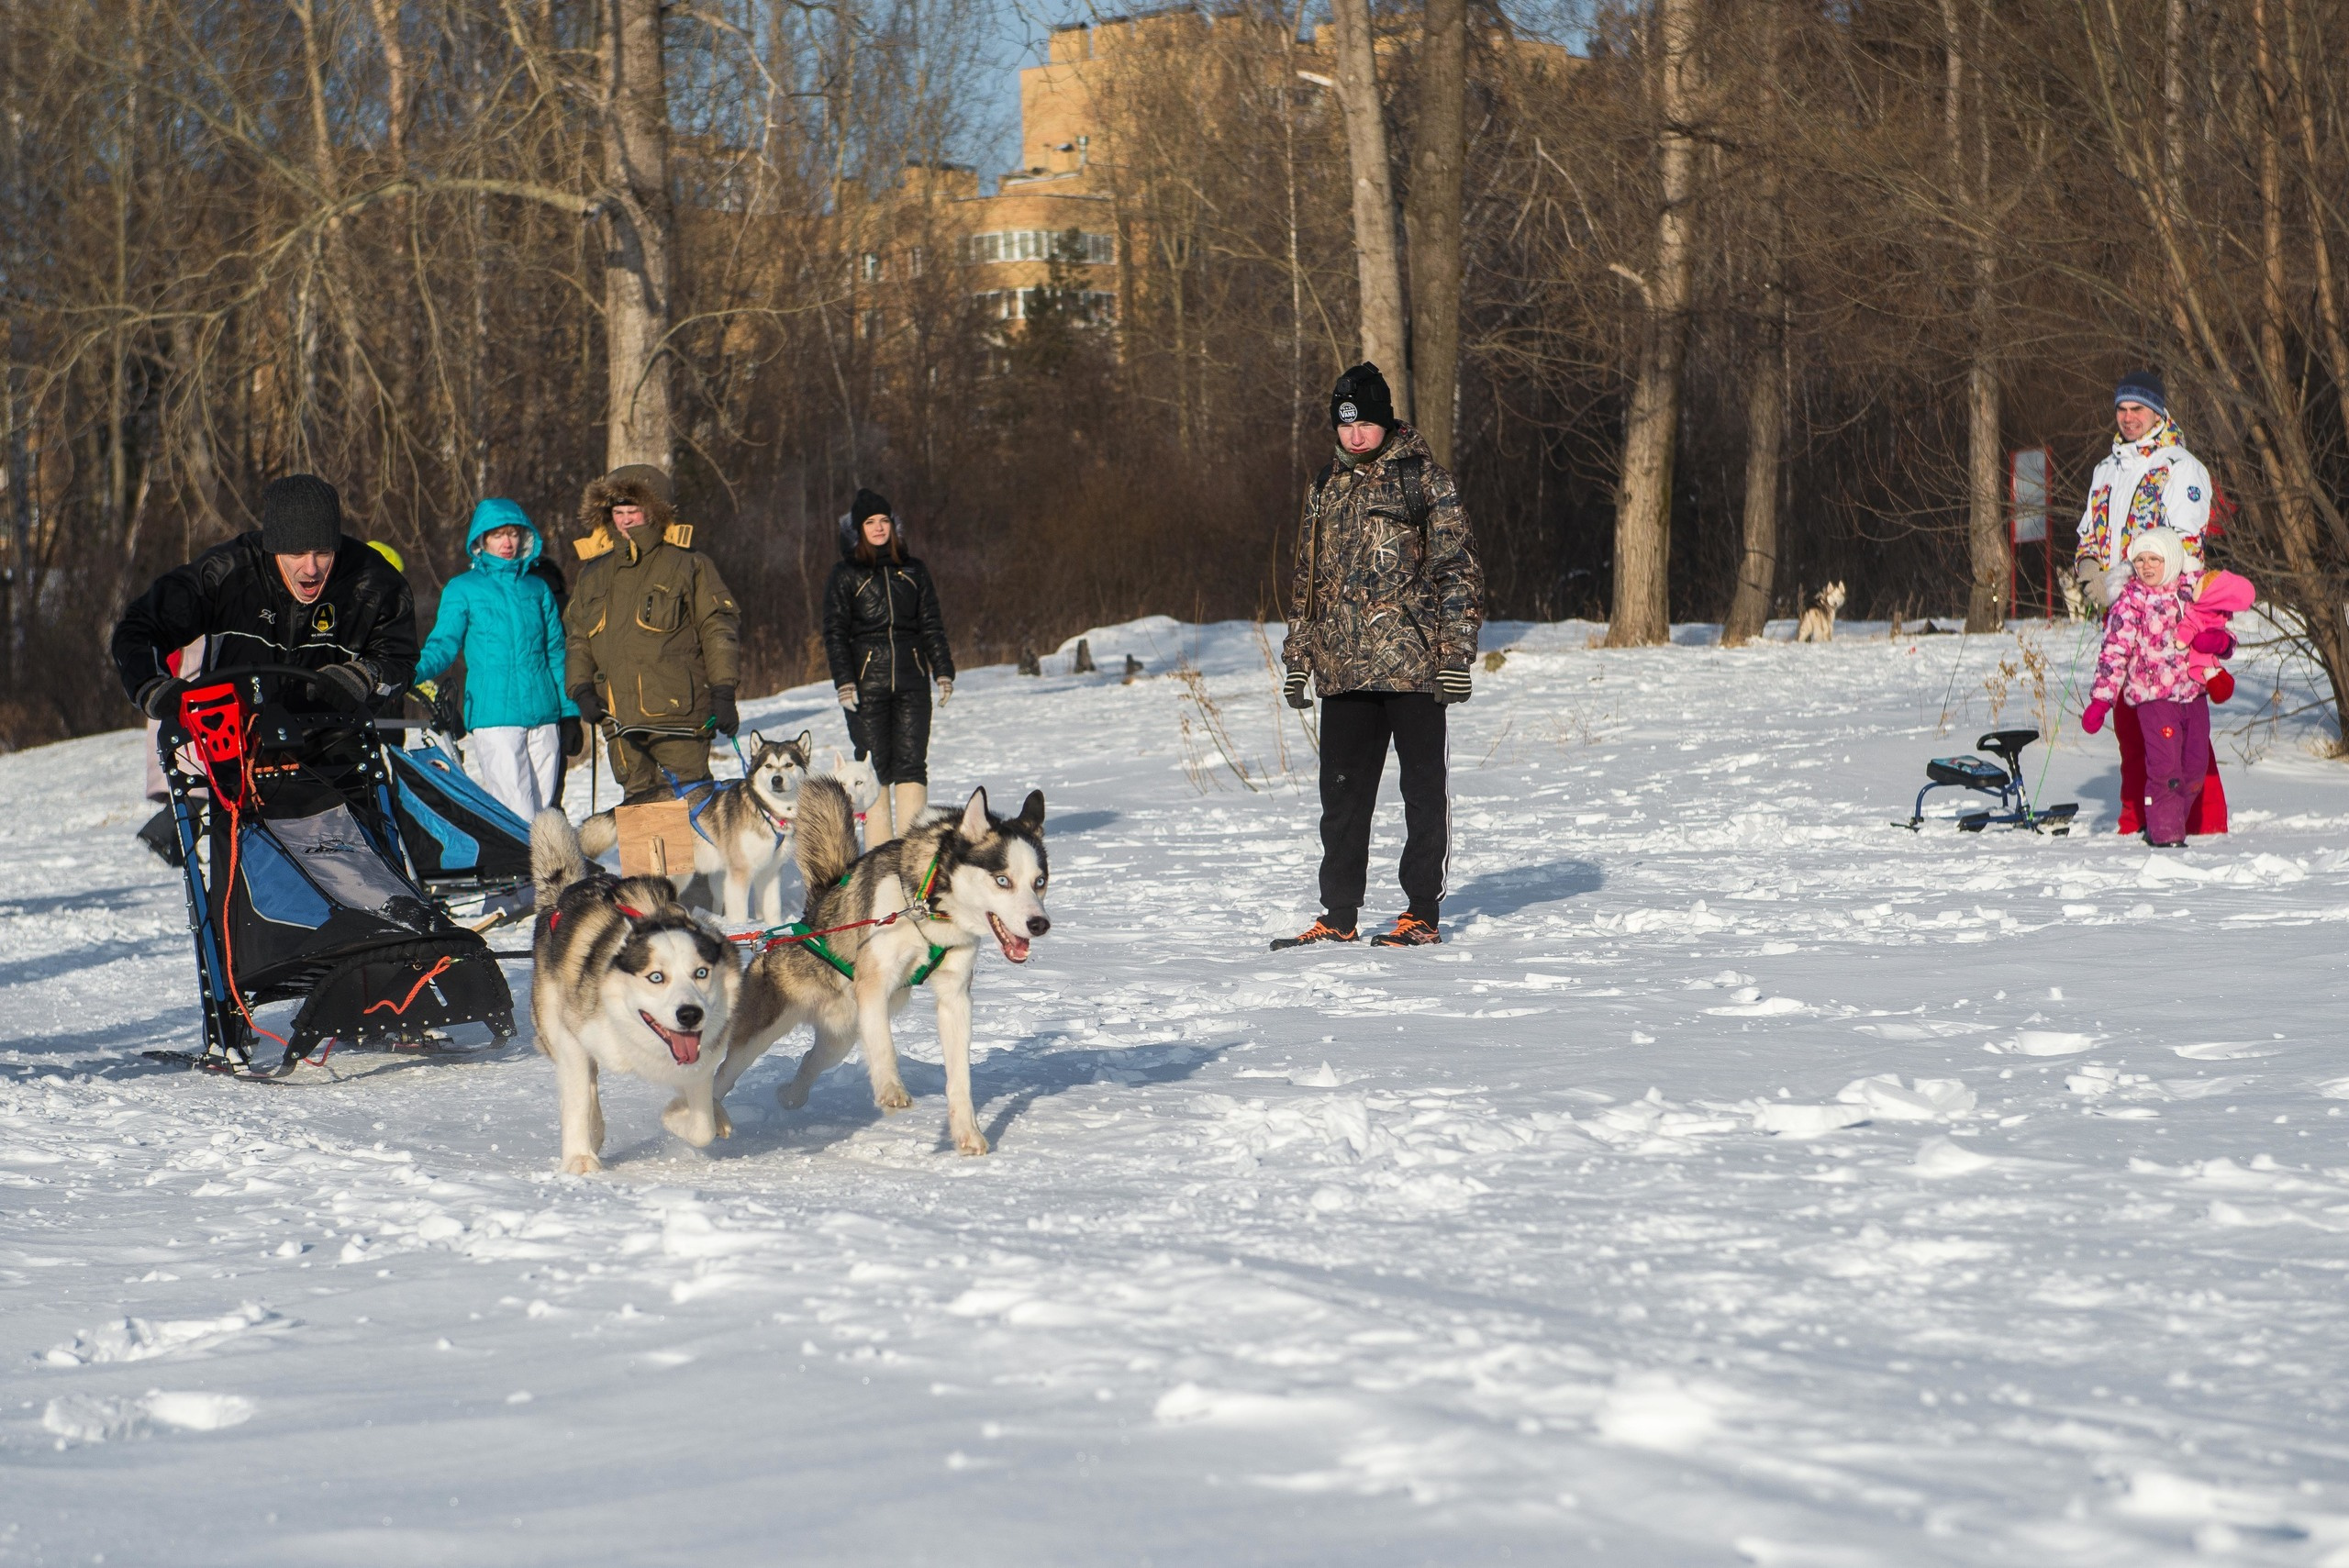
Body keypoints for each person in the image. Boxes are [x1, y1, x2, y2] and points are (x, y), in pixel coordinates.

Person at [1273, 363, 1485, 951]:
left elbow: (1458, 571)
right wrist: (1298, 657)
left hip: (1416, 669)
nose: (1356, 435)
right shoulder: (1323, 487)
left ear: (1385, 421)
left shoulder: (1425, 481)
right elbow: (1306, 582)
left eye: (1366, 422)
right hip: (1342, 672)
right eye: (1346, 425)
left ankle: (1421, 914)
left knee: (1422, 793)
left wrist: (1457, 654)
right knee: (1340, 800)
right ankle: (1339, 914)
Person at [113, 473, 417, 722]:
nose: (311, 569)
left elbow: (399, 660)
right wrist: (151, 686)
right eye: (297, 553)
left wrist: (364, 676)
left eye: (324, 553)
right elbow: (139, 628)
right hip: (236, 752)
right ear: (273, 548)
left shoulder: (371, 581)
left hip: (336, 753)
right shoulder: (227, 573)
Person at [2073, 370, 2226, 836]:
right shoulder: (2106, 469)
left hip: (2166, 616)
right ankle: (2135, 815)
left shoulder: (2180, 466)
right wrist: (2089, 570)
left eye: (2138, 409)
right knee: (2130, 720)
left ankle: (2201, 820)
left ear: (2158, 413)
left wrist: (2125, 579)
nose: (2128, 418)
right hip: (2120, 613)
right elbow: (2089, 533)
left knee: (2177, 721)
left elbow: (2185, 546)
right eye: (2121, 409)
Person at [563, 465, 741, 806]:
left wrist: (723, 690)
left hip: (679, 717)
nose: (626, 520)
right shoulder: (594, 574)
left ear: (655, 511)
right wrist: (581, 688)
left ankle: (691, 863)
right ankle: (646, 864)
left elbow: (717, 627)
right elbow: (578, 637)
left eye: (634, 511)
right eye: (618, 512)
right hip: (618, 717)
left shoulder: (689, 564)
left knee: (692, 804)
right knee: (640, 809)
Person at [413, 498, 576, 820]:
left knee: (546, 816)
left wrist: (569, 713)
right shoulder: (463, 589)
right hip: (496, 717)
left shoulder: (538, 589)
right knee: (517, 814)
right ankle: (525, 871)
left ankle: (547, 872)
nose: (507, 542)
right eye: (498, 535)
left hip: (545, 715)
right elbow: (443, 645)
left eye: (513, 534)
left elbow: (555, 652)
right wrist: (407, 672)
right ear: (482, 540)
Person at [822, 487, 955, 839]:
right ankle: (880, 856)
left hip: (912, 681)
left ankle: (913, 848)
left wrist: (943, 670)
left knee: (912, 765)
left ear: (894, 526)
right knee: (873, 767)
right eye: (870, 522)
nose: (879, 528)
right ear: (858, 529)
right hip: (867, 686)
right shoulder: (845, 575)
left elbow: (931, 625)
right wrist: (845, 682)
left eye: (884, 521)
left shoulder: (914, 570)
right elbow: (835, 633)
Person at [2080, 528, 2210, 848]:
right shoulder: (2130, 601)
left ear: (2172, 559)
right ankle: (2165, 834)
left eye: (2154, 559)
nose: (2147, 566)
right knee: (2167, 769)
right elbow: (2114, 652)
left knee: (2195, 769)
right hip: (2154, 698)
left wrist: (2221, 642)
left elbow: (2219, 624)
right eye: (2140, 559)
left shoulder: (2193, 592)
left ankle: (2172, 820)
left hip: (2194, 693)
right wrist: (2101, 700)